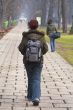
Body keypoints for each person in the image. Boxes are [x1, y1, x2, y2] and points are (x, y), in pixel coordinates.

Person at [18, 19, 48, 106]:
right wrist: (39, 54)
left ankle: (31, 96)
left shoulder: (26, 36)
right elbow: (45, 49)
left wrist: (26, 54)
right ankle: (35, 97)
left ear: (29, 26)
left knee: (30, 77)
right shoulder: (41, 36)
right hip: (38, 61)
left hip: (27, 61)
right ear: (37, 26)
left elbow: (20, 48)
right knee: (36, 78)